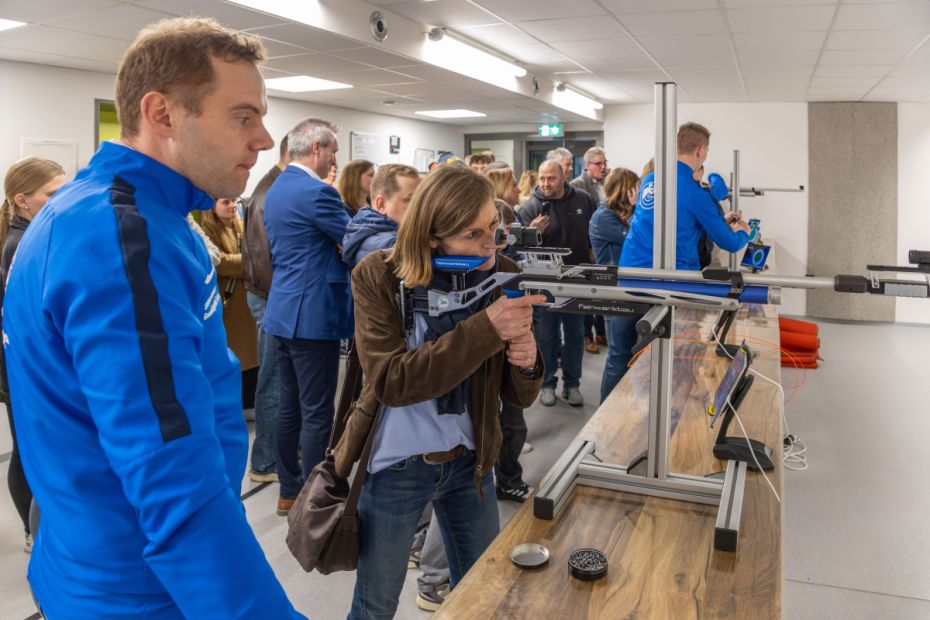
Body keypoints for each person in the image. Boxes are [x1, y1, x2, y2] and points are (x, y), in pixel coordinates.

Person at [1, 17, 304, 619]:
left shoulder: (139, 218)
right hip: (141, 586)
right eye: (243, 116)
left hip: (114, 563)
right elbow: (172, 478)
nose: (265, 140)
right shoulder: (121, 239)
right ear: (162, 113)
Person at [339, 164, 544, 619]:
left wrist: (527, 359)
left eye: (494, 227)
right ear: (432, 237)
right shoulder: (379, 275)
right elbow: (392, 381)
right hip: (397, 466)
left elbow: (521, 397)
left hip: (471, 460)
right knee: (375, 605)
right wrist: (486, 329)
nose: (490, 246)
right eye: (472, 235)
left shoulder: (502, 271)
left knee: (484, 594)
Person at [605, 123, 750, 402]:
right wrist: (744, 230)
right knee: (672, 361)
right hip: (668, 287)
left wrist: (716, 221)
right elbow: (730, 243)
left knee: (618, 359)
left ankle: (604, 430)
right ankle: (664, 421)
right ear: (701, 150)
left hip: (627, 280)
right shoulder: (694, 191)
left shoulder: (650, 181)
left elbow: (673, 222)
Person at [263, 116, 352, 517]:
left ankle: (288, 490)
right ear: (316, 148)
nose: (334, 159)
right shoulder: (319, 194)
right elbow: (352, 240)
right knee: (318, 411)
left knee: (290, 406)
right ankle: (314, 497)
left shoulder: (278, 188)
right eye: (332, 150)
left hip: (282, 312)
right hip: (313, 316)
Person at [0, 157, 65, 554]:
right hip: (22, 369)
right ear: (23, 201)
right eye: (52, 194)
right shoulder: (20, 244)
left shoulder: (35, 235)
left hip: (25, 369)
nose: (63, 201)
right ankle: (32, 531)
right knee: (27, 453)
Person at [518, 159, 597, 407]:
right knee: (546, 336)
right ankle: (548, 384)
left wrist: (593, 254)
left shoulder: (583, 199)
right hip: (544, 283)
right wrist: (531, 231)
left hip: (576, 279)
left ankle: (572, 384)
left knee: (574, 335)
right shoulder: (530, 207)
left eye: (551, 178)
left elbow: (594, 233)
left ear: (563, 177)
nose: (545, 183)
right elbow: (518, 248)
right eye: (541, 178)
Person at [241, 135, 290, 482]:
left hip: (274, 297)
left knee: (281, 380)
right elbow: (265, 260)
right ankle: (263, 462)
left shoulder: (278, 186)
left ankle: (278, 452)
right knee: (272, 381)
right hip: (271, 298)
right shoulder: (270, 192)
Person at [590, 167, 640, 403]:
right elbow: (637, 237)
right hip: (614, 293)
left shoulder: (619, 215)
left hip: (626, 291)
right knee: (618, 358)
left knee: (626, 356)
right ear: (626, 190)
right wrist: (640, 208)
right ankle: (603, 416)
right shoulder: (603, 217)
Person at [201, 197, 259, 393]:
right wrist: (249, 262)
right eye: (226, 202)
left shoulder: (241, 227)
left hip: (245, 300)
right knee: (235, 350)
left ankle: (249, 396)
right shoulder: (208, 230)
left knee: (251, 352)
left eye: (233, 201)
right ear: (213, 207)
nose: (233, 205)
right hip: (228, 301)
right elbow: (221, 262)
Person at [342, 163, 420, 269]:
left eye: (420, 200)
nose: (420, 207)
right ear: (381, 204)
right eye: (410, 200)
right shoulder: (389, 244)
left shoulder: (370, 230)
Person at [571, 147, 610, 354]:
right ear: (587, 165)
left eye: (605, 163)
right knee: (587, 294)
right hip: (587, 248)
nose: (603, 167)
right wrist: (587, 248)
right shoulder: (578, 185)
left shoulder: (607, 183)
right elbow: (580, 224)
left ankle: (601, 332)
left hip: (603, 247)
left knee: (602, 293)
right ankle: (587, 336)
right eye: (598, 164)